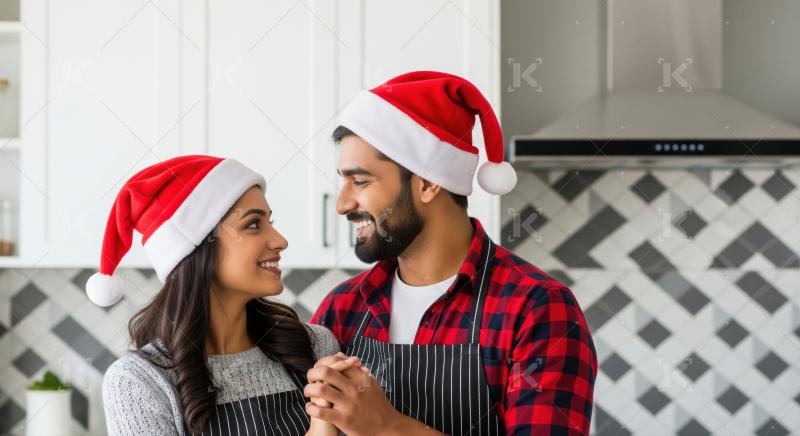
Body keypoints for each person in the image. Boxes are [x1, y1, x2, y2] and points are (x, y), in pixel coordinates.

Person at [306, 71, 598, 435]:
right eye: (343, 181)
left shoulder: (536, 308)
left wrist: (387, 427)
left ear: (429, 182)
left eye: (361, 181)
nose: (343, 203)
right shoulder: (343, 308)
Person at [90, 155, 355, 435]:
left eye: (270, 222)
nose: (280, 241)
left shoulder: (315, 346)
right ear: (199, 247)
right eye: (253, 224)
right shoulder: (139, 382)